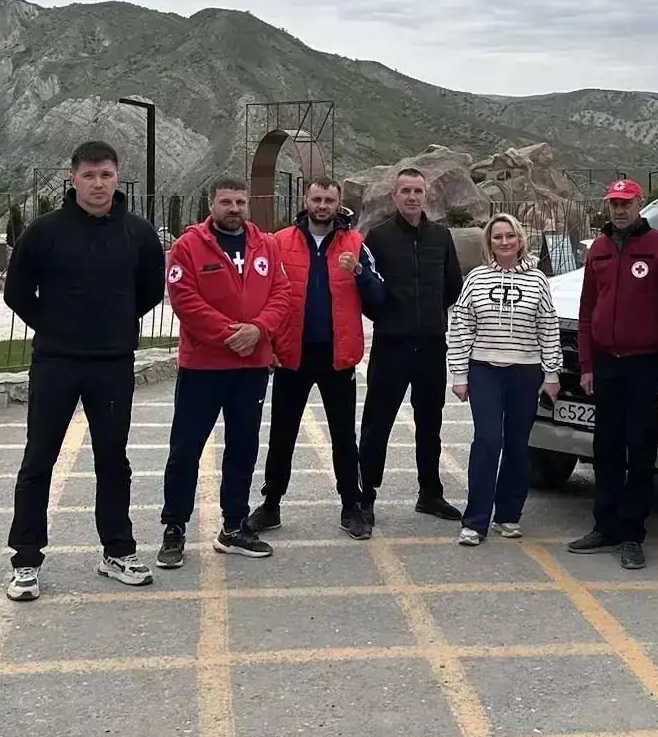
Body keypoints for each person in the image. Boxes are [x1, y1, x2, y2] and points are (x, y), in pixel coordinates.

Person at [4, 140, 167, 601]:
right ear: (73, 178)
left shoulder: (138, 233)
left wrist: (113, 324)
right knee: (40, 459)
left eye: (106, 175)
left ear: (117, 178)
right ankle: (26, 560)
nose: (98, 183)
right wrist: (56, 327)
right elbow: (17, 292)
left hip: (112, 363)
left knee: (113, 460)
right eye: (90, 175)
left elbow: (150, 291)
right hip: (56, 361)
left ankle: (117, 551)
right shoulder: (45, 231)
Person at [157, 175, 291, 567]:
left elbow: (282, 294)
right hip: (203, 367)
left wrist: (259, 330)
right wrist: (231, 335)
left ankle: (234, 526)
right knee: (186, 449)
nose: (234, 209)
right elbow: (184, 300)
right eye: (226, 202)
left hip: (251, 368)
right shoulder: (187, 247)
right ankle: (174, 527)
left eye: (240, 202)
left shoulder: (266, 245)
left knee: (243, 448)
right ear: (211, 205)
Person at [245, 178, 384, 541]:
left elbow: (379, 298)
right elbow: (263, 297)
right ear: (305, 200)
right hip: (292, 354)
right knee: (282, 433)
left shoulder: (355, 243)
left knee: (343, 436)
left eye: (329, 200)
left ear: (338, 204)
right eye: (317, 199)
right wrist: (268, 344)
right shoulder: (279, 242)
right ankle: (271, 504)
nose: (323, 205)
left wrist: (359, 273)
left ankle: (351, 506)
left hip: (338, 355)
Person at [568, 178, 658, 570]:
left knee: (641, 449)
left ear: (639, 203)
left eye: (626, 203)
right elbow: (587, 309)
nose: (619, 209)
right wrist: (586, 365)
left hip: (644, 364)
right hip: (606, 364)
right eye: (614, 203)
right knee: (606, 448)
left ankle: (632, 534)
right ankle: (605, 526)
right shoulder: (598, 249)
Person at [358, 166, 464, 523]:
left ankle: (430, 494)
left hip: (431, 345)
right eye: (405, 191)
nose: (412, 197)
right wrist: (390, 318)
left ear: (425, 195)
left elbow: (452, 286)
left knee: (430, 423)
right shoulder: (378, 237)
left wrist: (429, 316)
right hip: (391, 346)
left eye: (418, 191)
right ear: (394, 196)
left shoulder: (441, 237)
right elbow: (368, 291)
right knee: (378, 423)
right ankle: (366, 495)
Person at [448, 213, 562, 544]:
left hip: (525, 371)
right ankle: (475, 520)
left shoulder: (538, 280)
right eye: (497, 237)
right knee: (487, 441)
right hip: (484, 369)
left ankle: (508, 514)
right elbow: (462, 326)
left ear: (519, 239)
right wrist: (459, 373)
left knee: (516, 445)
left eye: (510, 235)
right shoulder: (476, 278)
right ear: (489, 243)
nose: (504, 242)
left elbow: (548, 326)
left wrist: (551, 373)